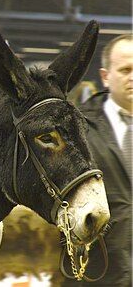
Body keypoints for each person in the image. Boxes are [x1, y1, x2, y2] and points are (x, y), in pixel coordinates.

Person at [61, 34, 132, 286]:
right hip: (97, 275)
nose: (132, 77)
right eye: (125, 70)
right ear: (105, 76)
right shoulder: (78, 130)